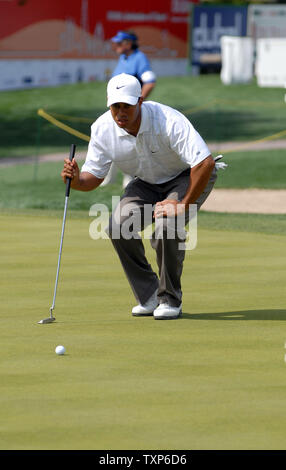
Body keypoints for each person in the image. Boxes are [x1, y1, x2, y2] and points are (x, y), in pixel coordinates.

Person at [61, 73, 218, 320]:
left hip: (185, 176)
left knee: (167, 227)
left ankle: (169, 299)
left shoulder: (168, 120)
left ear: (140, 102)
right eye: (115, 106)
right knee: (117, 227)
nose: (120, 112)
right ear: (109, 104)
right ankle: (149, 295)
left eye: (127, 106)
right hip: (145, 183)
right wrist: (77, 180)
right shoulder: (102, 128)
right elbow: (94, 178)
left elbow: (205, 163)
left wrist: (183, 204)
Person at [101, 30, 156, 188]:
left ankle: (129, 181)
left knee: (127, 144)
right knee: (110, 140)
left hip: (129, 112)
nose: (115, 46)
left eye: (119, 43)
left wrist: (138, 103)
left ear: (129, 44)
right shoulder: (123, 58)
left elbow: (150, 81)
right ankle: (107, 179)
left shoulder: (139, 58)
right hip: (117, 110)